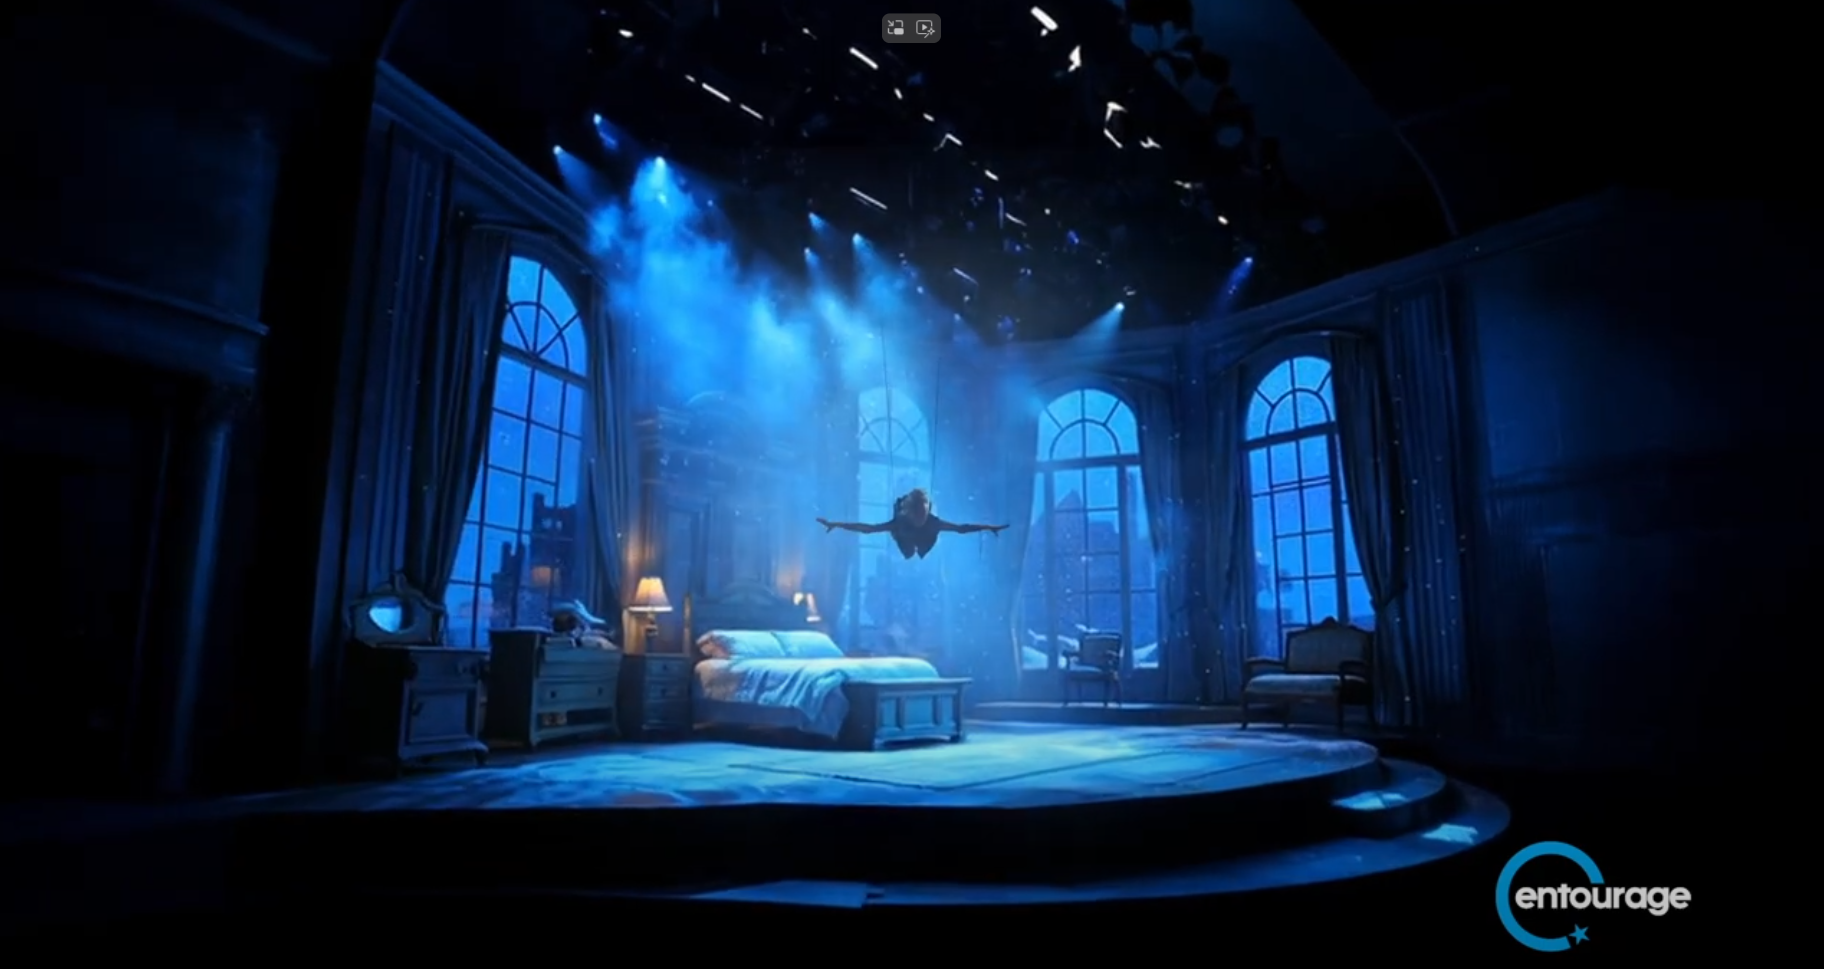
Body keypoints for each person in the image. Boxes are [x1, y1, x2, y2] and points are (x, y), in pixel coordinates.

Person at [817, 488, 1006, 559]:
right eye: (918, 515)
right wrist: (836, 524)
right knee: (908, 553)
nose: (921, 518)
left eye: (924, 514)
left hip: (925, 541)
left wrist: (989, 528)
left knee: (916, 551)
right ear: (911, 513)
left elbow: (961, 529)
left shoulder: (933, 523)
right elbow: (869, 529)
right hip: (905, 538)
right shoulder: (900, 523)